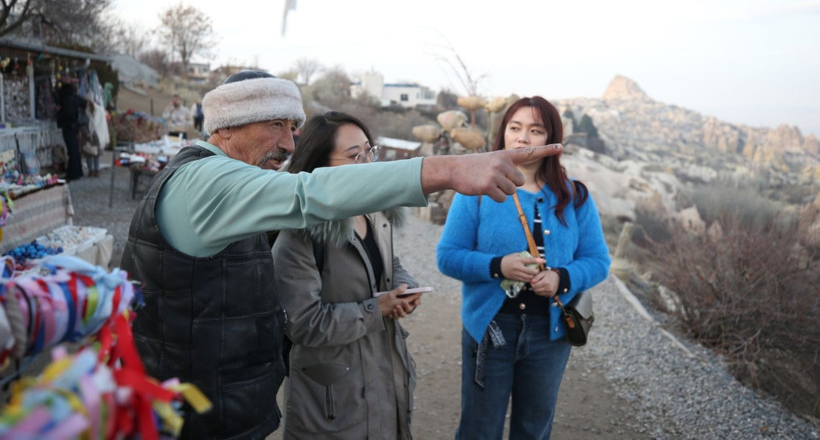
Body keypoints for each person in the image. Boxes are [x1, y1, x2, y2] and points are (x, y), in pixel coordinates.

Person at [120, 71, 563, 439]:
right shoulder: (204, 180)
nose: (290, 145)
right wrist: (446, 169)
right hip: (182, 417)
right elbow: (306, 193)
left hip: (218, 411)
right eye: (275, 125)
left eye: (294, 129)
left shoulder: (232, 186)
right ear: (229, 125)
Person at [436, 96, 611, 440]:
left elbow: (599, 261)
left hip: (550, 333)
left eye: (535, 130)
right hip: (491, 329)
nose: (523, 138)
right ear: (503, 135)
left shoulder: (574, 196)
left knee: (533, 429)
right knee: (479, 429)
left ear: (551, 139)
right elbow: (448, 256)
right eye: (515, 128)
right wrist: (499, 265)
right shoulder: (477, 189)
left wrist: (562, 278)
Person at [273, 112, 423, 439]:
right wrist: (377, 308)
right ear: (321, 167)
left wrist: (404, 287)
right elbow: (302, 323)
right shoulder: (300, 231)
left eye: (370, 151)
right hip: (331, 398)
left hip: (384, 370)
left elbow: (387, 263)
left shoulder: (376, 209)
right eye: (355, 156)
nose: (368, 163)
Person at [55, 81, 84, 181]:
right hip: (75, 127)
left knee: (71, 150)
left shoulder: (67, 100)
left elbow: (66, 114)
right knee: (75, 150)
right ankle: (77, 171)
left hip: (68, 127)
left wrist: (59, 112)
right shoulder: (76, 98)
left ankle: (72, 173)